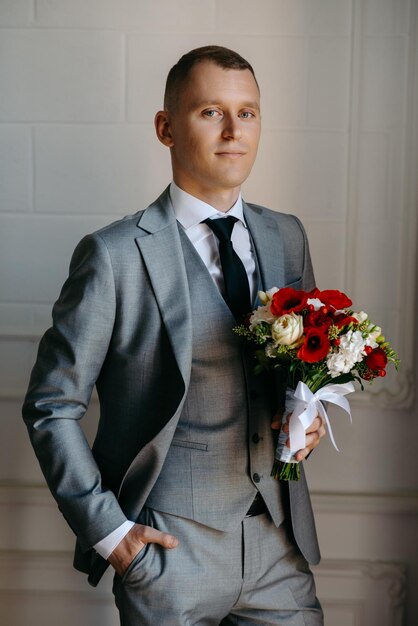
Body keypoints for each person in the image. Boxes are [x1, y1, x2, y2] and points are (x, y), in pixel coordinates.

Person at [22, 45, 326, 625]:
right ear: (165, 127)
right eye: (211, 111)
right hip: (167, 552)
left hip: (278, 545)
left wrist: (309, 418)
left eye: (249, 112)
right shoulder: (112, 256)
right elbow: (51, 406)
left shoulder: (287, 236)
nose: (235, 130)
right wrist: (111, 534)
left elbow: (309, 371)